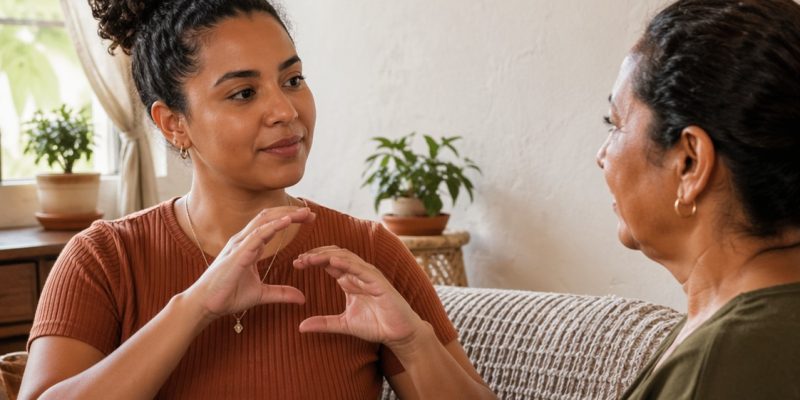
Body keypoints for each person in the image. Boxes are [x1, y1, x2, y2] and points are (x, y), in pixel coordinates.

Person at [17, 0, 494, 399]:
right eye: (244, 93)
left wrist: (414, 344)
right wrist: (195, 307)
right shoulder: (104, 259)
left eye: (292, 80)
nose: (286, 112)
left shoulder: (369, 251)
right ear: (172, 123)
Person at [597, 0, 800, 398]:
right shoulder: (730, 323)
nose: (602, 155)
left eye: (615, 124)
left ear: (691, 162)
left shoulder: (727, 360)